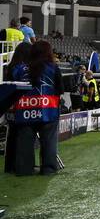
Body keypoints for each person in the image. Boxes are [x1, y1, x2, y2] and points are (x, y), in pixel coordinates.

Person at [9, 40, 63, 175]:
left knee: (25, 143)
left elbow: (12, 89)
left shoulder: (19, 69)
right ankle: (49, 169)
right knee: (49, 143)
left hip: (24, 111)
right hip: (48, 110)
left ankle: (24, 170)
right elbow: (60, 89)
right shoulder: (53, 67)